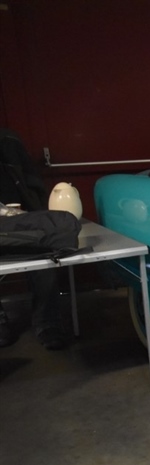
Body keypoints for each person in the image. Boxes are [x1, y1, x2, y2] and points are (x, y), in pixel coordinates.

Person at [0, 128, 70, 350]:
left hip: (22, 220)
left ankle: (48, 323)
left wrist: (41, 218)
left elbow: (34, 184)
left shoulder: (8, 140)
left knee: (45, 261)